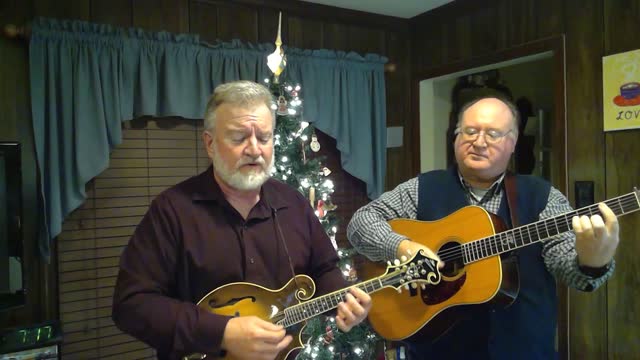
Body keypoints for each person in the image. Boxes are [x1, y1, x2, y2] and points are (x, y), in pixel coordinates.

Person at [112, 80, 371, 360]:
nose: (254, 149)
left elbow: (325, 269)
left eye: (264, 137)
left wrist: (344, 300)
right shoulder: (171, 211)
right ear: (210, 144)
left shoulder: (294, 204)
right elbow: (131, 304)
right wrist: (221, 332)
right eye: (238, 138)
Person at [347, 94, 620, 359]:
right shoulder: (421, 188)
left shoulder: (542, 196)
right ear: (456, 137)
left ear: (512, 142)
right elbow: (361, 224)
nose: (479, 142)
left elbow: (570, 269)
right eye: (469, 131)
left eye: (492, 134)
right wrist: (402, 247)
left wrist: (593, 261)